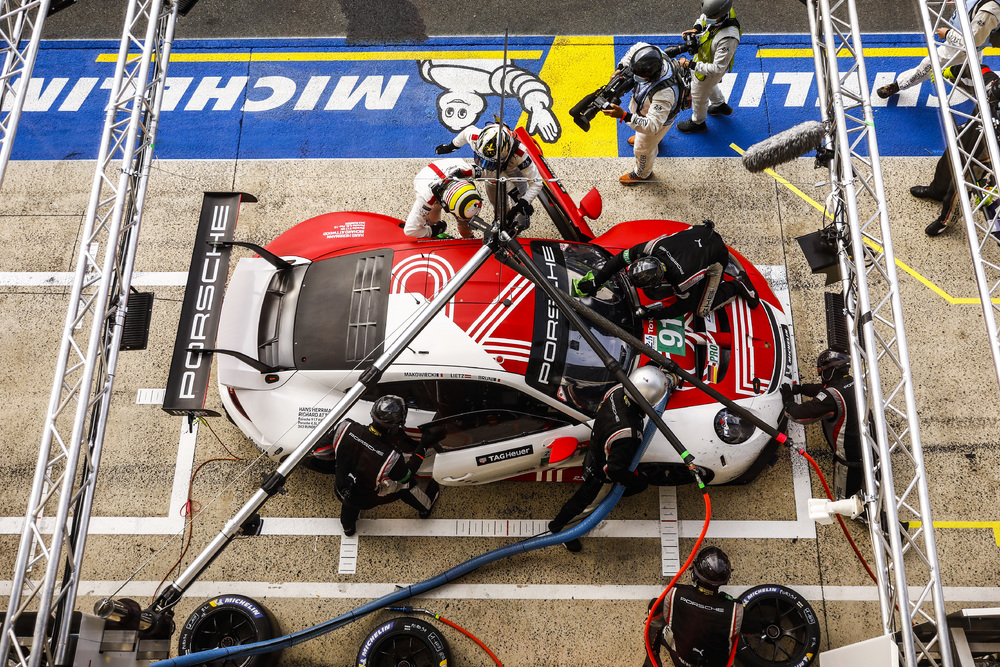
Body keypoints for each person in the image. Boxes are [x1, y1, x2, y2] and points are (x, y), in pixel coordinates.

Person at [548, 366, 675, 553]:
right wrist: (640, 482)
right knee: (584, 505)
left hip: (598, 446)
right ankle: (560, 530)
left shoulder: (618, 390)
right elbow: (616, 471)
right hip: (601, 474)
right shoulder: (627, 434)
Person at [572, 220, 759, 320]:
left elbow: (684, 306)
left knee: (702, 309)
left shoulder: (682, 280)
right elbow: (620, 259)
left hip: (717, 256)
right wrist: (597, 280)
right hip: (699, 233)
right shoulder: (649, 248)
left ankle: (737, 285)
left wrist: (653, 315)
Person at [313, 395, 440, 536]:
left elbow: (318, 453)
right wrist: (423, 445)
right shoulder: (391, 457)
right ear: (399, 424)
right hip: (366, 500)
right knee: (406, 485)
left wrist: (343, 462)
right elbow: (407, 476)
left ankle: (348, 529)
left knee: (349, 505)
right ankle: (425, 509)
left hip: (340, 488)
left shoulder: (345, 427)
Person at [907, 65, 1000, 236]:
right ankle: (937, 191)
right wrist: (950, 71)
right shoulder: (991, 85)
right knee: (946, 162)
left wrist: (991, 184)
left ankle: (947, 220)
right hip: (969, 134)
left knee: (960, 186)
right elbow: (978, 69)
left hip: (985, 154)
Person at [601, 42, 689, 185]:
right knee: (650, 137)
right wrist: (621, 68)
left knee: (642, 149)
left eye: (640, 75)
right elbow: (635, 49)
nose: (635, 77)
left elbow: (652, 126)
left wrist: (624, 115)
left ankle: (642, 173)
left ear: (653, 76)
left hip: (655, 123)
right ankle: (655, 140)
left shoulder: (664, 93)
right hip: (650, 113)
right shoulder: (651, 54)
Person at [781, 349, 862, 500]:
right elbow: (823, 391)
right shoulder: (851, 382)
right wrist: (800, 389)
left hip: (849, 462)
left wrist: (788, 401)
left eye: (821, 371)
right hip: (868, 448)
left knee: (843, 502)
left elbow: (799, 414)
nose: (820, 375)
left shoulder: (833, 397)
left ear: (830, 371)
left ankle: (871, 518)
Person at [877, 0, 1000, 100]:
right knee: (971, 69)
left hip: (961, 46)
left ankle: (900, 84)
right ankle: (968, 84)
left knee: (929, 64)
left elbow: (971, 43)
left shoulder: (989, 11)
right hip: (969, 36)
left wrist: (947, 34)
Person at [643, 546, 743, 667]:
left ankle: (651, 660)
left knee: (656, 613)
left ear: (694, 573)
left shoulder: (675, 595)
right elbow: (755, 628)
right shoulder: (735, 609)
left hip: (682, 662)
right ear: (725, 578)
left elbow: (653, 611)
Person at [434, 121, 542, 229]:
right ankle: (501, 219)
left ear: (507, 153)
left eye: (490, 163)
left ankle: (520, 225)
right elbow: (466, 131)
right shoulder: (475, 138)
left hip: (514, 172)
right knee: (496, 202)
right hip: (494, 174)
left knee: (520, 207)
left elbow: (537, 182)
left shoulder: (520, 154)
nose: (485, 166)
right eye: (482, 160)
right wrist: (451, 146)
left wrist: (524, 201)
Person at [675, 0, 741, 134]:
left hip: (709, 70)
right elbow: (703, 18)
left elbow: (717, 68)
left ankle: (698, 122)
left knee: (698, 95)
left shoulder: (728, 37)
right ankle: (719, 105)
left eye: (711, 17)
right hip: (704, 61)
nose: (707, 18)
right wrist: (696, 29)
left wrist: (690, 65)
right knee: (710, 85)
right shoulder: (719, 14)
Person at [403, 158, 483, 239]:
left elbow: (492, 173)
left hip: (448, 166)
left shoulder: (467, 169)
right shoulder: (427, 199)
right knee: (433, 223)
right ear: (446, 206)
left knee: (465, 223)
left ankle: (467, 236)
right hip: (425, 180)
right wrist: (433, 231)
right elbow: (410, 230)